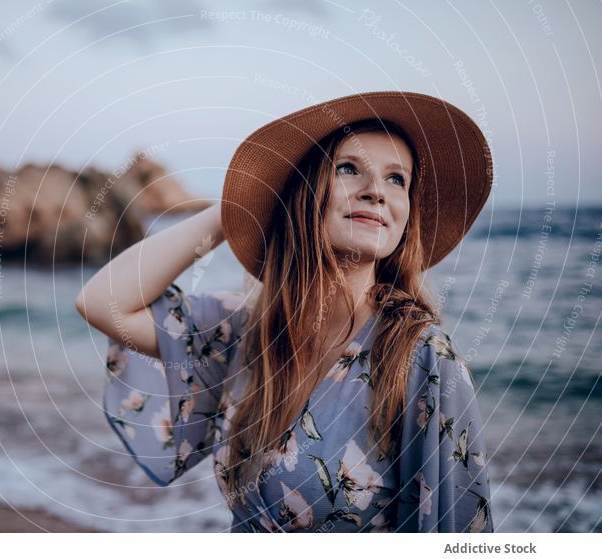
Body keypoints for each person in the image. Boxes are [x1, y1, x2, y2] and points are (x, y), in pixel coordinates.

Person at [75, 90, 495, 533]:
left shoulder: (422, 360)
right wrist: (238, 209)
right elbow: (102, 301)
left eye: (397, 180)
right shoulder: (243, 332)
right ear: (304, 193)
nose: (375, 192)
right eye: (349, 169)